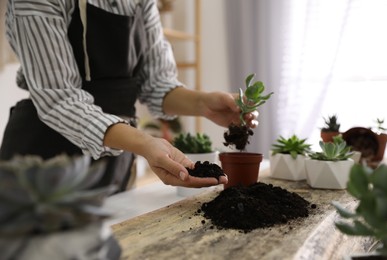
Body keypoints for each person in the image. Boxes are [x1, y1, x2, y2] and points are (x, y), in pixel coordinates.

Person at [0, 0, 258, 192]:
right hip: (43, 162)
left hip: (116, 158)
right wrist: (144, 143)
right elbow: (59, 98)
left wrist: (204, 104)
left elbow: (156, 84)